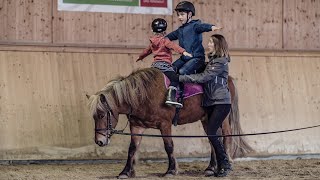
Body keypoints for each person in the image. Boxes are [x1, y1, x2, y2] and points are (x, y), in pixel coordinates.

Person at [178, 34, 232, 177]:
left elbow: (204, 77)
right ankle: (221, 164)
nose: (208, 44)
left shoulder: (220, 62)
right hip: (210, 102)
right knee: (213, 133)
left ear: (217, 45)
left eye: (210, 42)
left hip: (221, 102)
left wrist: (180, 78)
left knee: (212, 132)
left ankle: (224, 162)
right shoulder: (212, 61)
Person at [136, 18, 192, 108]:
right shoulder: (165, 41)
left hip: (155, 66)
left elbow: (147, 51)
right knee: (175, 79)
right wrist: (183, 52)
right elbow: (174, 46)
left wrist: (140, 57)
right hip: (165, 66)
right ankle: (170, 97)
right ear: (164, 31)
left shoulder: (152, 43)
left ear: (152, 30)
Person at [166, 1, 222, 75]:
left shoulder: (195, 26)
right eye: (178, 15)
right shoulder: (180, 30)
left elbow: (203, 26)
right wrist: (159, 39)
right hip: (184, 58)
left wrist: (211, 27)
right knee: (170, 70)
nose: (179, 17)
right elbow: (169, 37)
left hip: (197, 59)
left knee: (182, 71)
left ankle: (188, 86)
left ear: (189, 14)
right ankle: (174, 86)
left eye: (182, 14)